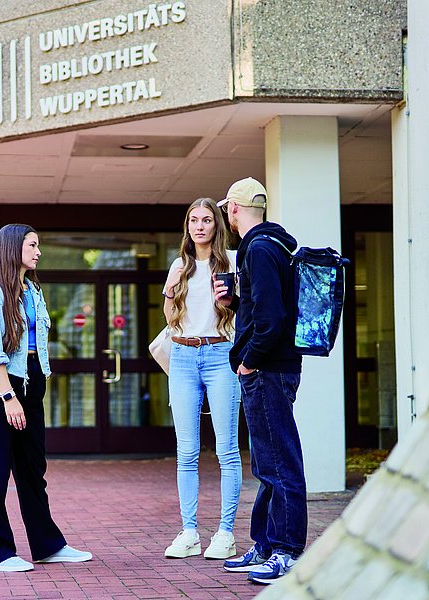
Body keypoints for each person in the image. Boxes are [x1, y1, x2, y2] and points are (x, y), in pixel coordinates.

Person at [0, 223, 92, 572]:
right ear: (12, 249)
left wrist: (29, 389)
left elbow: (36, 345)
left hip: (29, 383)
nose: (39, 252)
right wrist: (8, 397)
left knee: (33, 471)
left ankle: (47, 546)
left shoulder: (31, 291)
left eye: (39, 245)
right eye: (32, 245)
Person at [214, 178, 307, 585]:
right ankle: (266, 545)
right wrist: (236, 302)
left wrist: (248, 362)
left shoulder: (259, 249)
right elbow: (267, 308)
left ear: (233, 210)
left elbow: (271, 321)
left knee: (280, 464)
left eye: (226, 211)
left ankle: (286, 551)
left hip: (267, 370)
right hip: (273, 367)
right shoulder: (276, 245)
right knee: (268, 464)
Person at [161, 197, 242, 561]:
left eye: (206, 220)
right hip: (182, 355)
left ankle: (226, 533)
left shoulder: (233, 262)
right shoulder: (180, 264)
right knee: (187, 451)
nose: (199, 226)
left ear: (216, 225)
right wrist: (170, 288)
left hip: (219, 353)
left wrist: (229, 296)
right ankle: (190, 531)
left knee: (227, 449)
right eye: (193, 220)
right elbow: (169, 316)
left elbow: (241, 310)